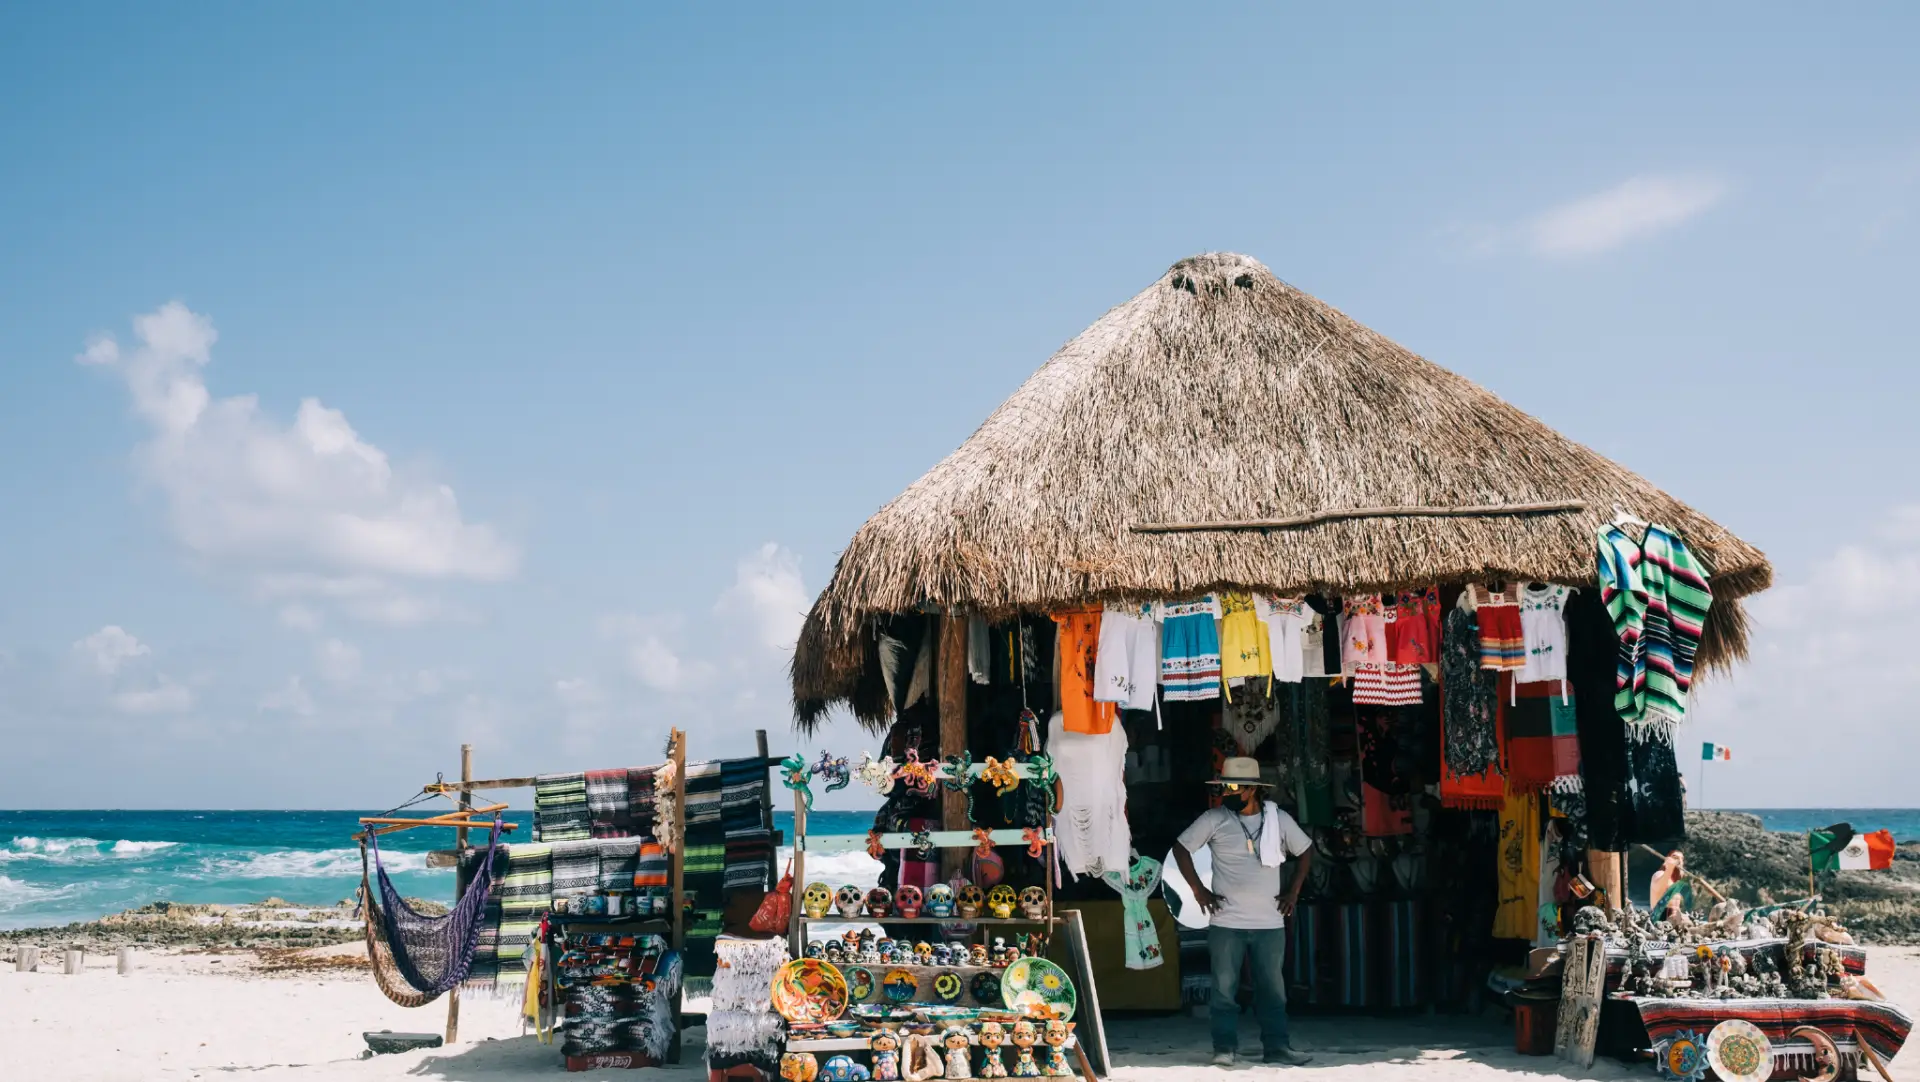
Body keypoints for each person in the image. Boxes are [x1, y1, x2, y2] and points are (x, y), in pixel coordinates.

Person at [1173, 756, 1315, 1067]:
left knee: (1273, 990)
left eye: (1233, 788)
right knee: (1224, 990)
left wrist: (1293, 891)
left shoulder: (1278, 820)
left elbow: (1305, 850)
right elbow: (1180, 848)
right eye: (1224, 788)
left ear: (1252, 790)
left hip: (1269, 922)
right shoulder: (1215, 819)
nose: (1226, 794)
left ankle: (1277, 1047)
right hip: (1227, 921)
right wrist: (1199, 891)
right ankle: (1224, 1048)